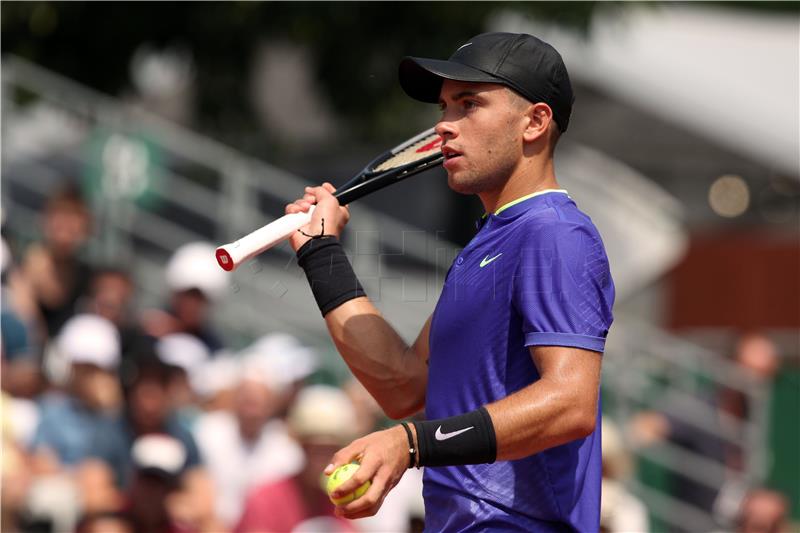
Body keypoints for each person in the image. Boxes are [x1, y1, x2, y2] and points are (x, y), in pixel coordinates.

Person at [285, 32, 615, 531]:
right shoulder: (487, 246)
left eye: (469, 105)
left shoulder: (554, 234)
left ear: (535, 121)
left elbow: (570, 403)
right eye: (444, 108)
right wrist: (322, 254)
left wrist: (410, 444)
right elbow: (405, 386)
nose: (443, 127)